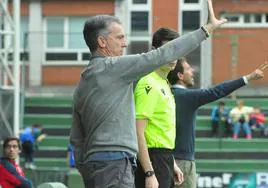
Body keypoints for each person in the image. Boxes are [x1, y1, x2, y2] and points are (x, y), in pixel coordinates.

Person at [69, 0, 227, 187]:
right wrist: (206, 30)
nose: (125, 43)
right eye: (119, 38)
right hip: (116, 163)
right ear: (102, 42)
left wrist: (84, 167)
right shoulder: (114, 68)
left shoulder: (83, 81)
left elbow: (76, 138)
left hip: (94, 164)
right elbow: (161, 55)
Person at [167, 58, 268, 188]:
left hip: (163, 159)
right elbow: (217, 91)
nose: (192, 71)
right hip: (182, 162)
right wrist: (248, 78)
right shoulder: (187, 96)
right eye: (188, 69)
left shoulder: (163, 94)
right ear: (180, 76)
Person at [134, 28, 183, 188]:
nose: (173, 56)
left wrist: (172, 163)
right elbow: (138, 131)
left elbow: (161, 130)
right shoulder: (148, 82)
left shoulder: (164, 83)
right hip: (153, 159)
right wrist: (149, 172)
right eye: (168, 50)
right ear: (154, 51)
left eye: (176, 50)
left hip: (165, 157)